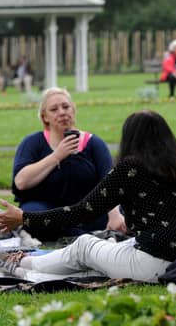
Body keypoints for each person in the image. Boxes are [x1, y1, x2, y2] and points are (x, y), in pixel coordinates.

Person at [0, 110, 176, 283]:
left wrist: (24, 218)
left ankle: (19, 264)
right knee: (97, 262)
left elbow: (80, 212)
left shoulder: (131, 168)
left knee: (85, 246)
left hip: (159, 263)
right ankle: (25, 273)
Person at [11, 87, 125, 237]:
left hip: (85, 210)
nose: (62, 112)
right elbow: (21, 182)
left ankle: (70, 233)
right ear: (45, 117)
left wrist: (115, 215)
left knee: (123, 213)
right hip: (45, 209)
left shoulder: (94, 143)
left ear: (73, 110)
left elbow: (110, 183)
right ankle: (83, 235)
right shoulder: (32, 143)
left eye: (66, 107)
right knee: (32, 214)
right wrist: (56, 156)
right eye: (54, 109)